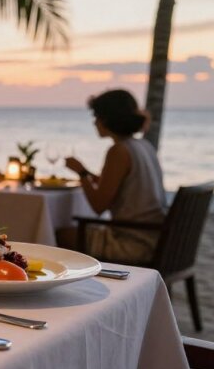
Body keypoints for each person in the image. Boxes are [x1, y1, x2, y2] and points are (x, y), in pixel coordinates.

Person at [56, 90, 166, 263]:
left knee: (59, 234)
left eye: (96, 116)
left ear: (107, 119)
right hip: (156, 238)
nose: (94, 122)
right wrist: (90, 176)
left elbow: (98, 206)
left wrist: (82, 173)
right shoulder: (143, 146)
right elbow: (124, 185)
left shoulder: (119, 151)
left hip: (133, 242)